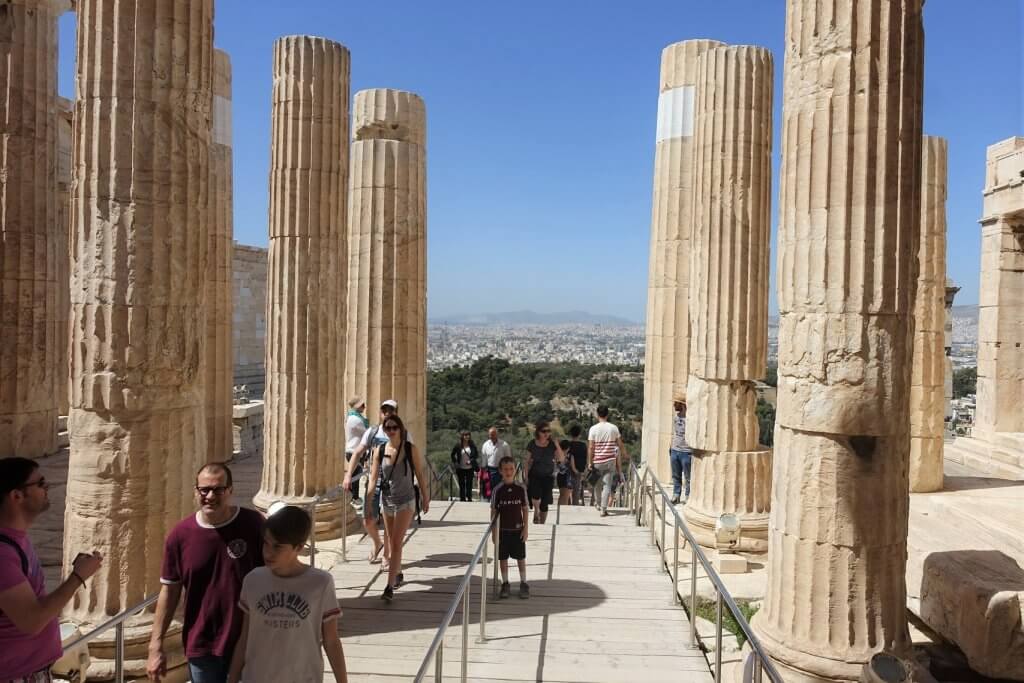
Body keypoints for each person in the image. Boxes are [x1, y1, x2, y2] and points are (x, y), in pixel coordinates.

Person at [148, 463, 265, 683]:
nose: (210, 496)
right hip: (202, 644)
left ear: (230, 490)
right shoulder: (180, 536)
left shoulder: (253, 524)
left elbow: (276, 571)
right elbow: (169, 591)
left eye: (218, 489)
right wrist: (155, 646)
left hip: (248, 641)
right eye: (204, 490)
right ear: (196, 491)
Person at [0, 457, 103, 683]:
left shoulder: (18, 540)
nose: (48, 488)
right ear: (17, 495)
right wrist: (78, 577)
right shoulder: (3, 555)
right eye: (40, 483)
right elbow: (32, 621)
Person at [228, 506, 346, 683]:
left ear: (298, 547)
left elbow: (331, 640)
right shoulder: (252, 581)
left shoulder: (321, 583)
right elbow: (245, 637)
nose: (268, 552)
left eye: (277, 547)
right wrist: (232, 678)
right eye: (266, 543)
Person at [366, 414, 430, 602]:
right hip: (387, 500)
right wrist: (368, 504)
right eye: (388, 428)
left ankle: (389, 585)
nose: (391, 431)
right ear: (384, 430)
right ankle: (398, 571)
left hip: (406, 500)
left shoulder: (410, 449)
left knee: (395, 542)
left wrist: (425, 498)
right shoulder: (379, 450)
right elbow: (372, 478)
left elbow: (419, 473)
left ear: (401, 429)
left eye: (395, 427)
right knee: (392, 540)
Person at [343, 400, 413, 566]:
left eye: (391, 410)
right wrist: (348, 476)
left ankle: (387, 555)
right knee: (367, 519)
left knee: (389, 521)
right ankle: (377, 543)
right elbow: (358, 452)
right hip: (375, 479)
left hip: (394, 483)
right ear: (381, 412)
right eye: (384, 410)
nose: (387, 413)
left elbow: (412, 457)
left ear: (396, 412)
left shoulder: (404, 433)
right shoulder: (372, 432)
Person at [490, 456, 529, 599]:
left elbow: (525, 508)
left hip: (518, 529)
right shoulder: (497, 490)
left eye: (511, 469)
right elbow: (493, 511)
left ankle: (524, 583)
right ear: (500, 471)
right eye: (505, 469)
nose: (509, 472)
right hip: (502, 531)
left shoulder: (521, 488)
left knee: (520, 557)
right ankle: (505, 583)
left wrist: (526, 528)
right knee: (503, 559)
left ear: (515, 470)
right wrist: (494, 532)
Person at [588, 406, 628, 517]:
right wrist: (625, 454)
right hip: (610, 460)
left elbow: (591, 447)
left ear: (597, 414)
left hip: (597, 460)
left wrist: (590, 462)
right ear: (607, 414)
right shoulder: (613, 428)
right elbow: (620, 444)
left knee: (597, 484)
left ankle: (598, 503)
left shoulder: (593, 429)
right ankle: (603, 509)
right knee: (607, 485)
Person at [523, 421, 565, 525]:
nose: (546, 433)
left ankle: (542, 523)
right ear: (538, 432)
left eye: (548, 431)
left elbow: (561, 458)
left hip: (548, 476)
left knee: (545, 502)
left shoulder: (552, 445)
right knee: (535, 495)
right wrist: (526, 474)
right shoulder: (532, 443)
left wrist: (557, 444)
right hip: (535, 474)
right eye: (544, 431)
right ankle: (536, 511)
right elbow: (527, 461)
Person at [344, 397, 369, 502]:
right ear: (357, 406)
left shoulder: (352, 417)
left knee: (355, 475)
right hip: (354, 451)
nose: (364, 407)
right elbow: (367, 433)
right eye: (362, 405)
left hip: (352, 450)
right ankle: (354, 497)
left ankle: (353, 497)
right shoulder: (356, 419)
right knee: (355, 476)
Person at [670, 396, 693, 505]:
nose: (674, 405)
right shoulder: (676, 417)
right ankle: (676, 495)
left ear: (683, 405)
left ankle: (688, 496)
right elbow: (675, 433)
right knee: (676, 475)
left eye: (676, 403)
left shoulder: (690, 419)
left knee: (688, 477)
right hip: (675, 449)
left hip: (686, 451)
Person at [480, 427, 511, 501]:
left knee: (500, 489)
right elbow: (484, 459)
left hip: (501, 470)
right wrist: (483, 472)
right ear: (489, 435)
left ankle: (500, 503)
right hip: (489, 470)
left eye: (494, 434)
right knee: (489, 490)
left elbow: (508, 459)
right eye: (491, 435)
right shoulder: (485, 445)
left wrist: (508, 472)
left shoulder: (504, 445)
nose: (492, 436)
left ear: (497, 434)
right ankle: (490, 504)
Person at [449, 432, 479, 502]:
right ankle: (462, 499)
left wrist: (470, 461)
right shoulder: (458, 445)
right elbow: (452, 455)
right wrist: (456, 463)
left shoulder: (472, 445)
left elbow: (476, 455)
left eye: (468, 435)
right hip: (460, 468)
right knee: (461, 484)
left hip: (470, 468)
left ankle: (469, 498)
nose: (467, 437)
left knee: (469, 484)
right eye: (465, 435)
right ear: (462, 436)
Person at [564, 425, 589, 505]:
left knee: (568, 488)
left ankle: (568, 504)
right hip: (579, 470)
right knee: (576, 489)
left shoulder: (568, 444)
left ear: (571, 434)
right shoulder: (583, 445)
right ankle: (575, 504)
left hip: (568, 469)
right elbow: (586, 457)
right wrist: (585, 469)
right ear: (579, 434)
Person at [556, 440, 573, 506]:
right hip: (567, 477)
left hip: (560, 476)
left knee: (562, 495)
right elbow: (572, 467)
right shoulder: (569, 456)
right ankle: (563, 511)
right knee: (566, 497)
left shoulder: (557, 455)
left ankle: (559, 510)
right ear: (568, 448)